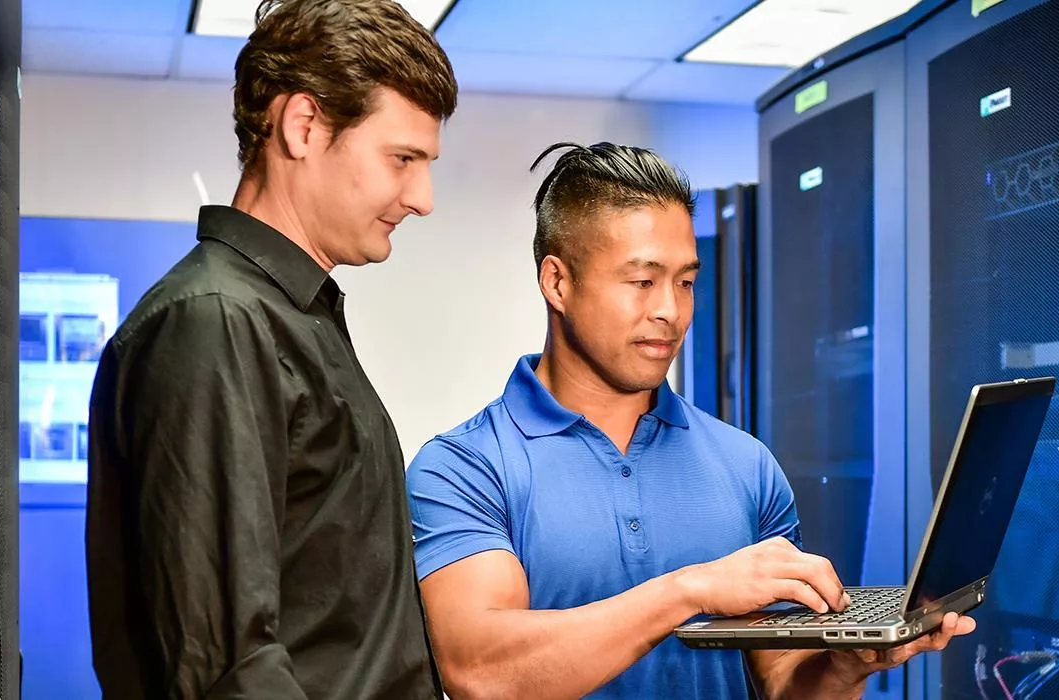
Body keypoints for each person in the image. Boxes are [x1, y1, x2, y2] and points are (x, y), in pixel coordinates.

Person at [405, 142, 976, 699]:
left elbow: (778, 680)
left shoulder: (745, 463)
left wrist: (843, 667)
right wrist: (690, 590)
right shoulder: (465, 469)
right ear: (558, 282)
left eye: (685, 282)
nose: (670, 312)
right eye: (641, 281)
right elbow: (481, 672)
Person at [84, 1, 456, 697]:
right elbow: (224, 663)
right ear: (303, 126)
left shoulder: (292, 315)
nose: (422, 197)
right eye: (403, 158)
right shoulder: (217, 321)